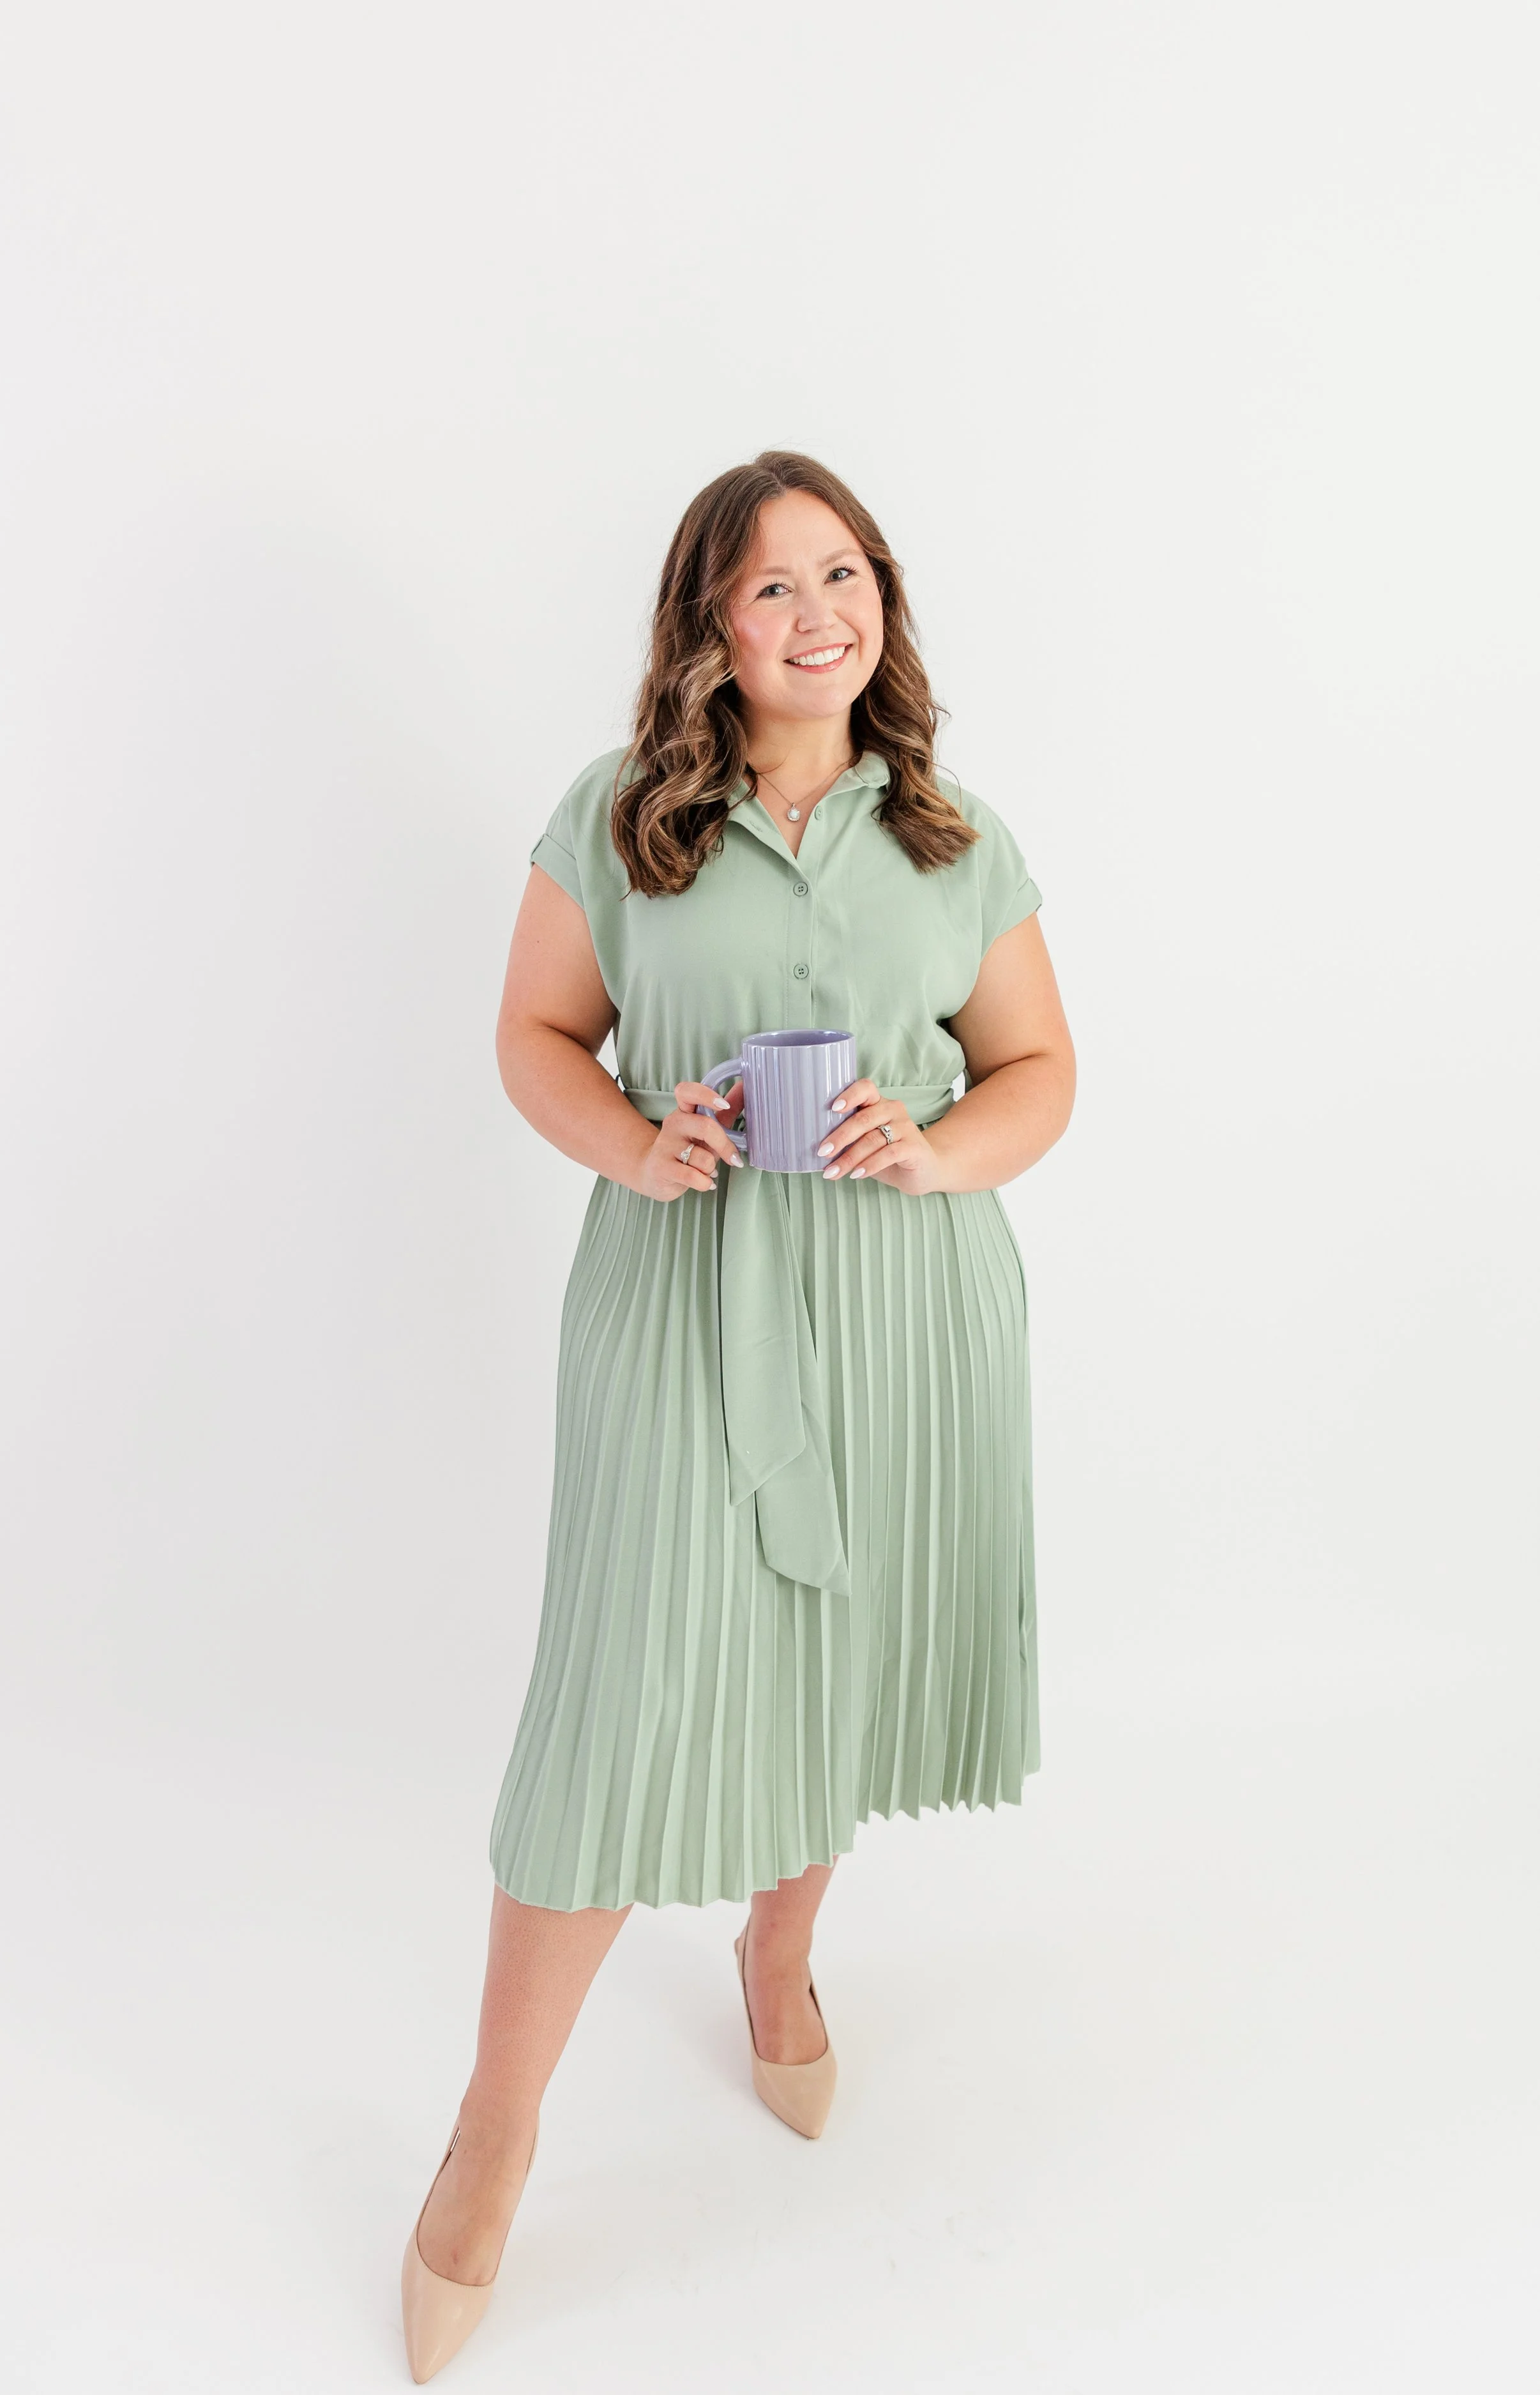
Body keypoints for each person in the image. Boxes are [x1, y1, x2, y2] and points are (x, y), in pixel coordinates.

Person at [399, 450, 1076, 2380]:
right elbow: (535, 1032)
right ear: (710, 624)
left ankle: (777, 1953)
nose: (817, 613)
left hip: (902, 1314)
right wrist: (636, 1137)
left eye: (843, 573)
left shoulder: (956, 836)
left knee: (839, 1657)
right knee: (619, 1700)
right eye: (772, 585)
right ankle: (495, 2126)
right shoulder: (619, 822)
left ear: (884, 608)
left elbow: (1038, 1067)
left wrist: (935, 1155)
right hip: (681, 1304)